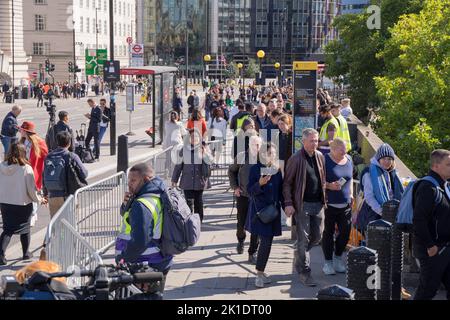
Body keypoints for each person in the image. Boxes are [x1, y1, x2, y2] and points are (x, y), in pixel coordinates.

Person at [115, 163, 173, 296]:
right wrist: (125, 204)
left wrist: (123, 260)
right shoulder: (158, 192)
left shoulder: (142, 204)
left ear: (146, 180)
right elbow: (127, 215)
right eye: (129, 180)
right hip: (160, 259)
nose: (129, 184)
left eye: (133, 180)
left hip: (144, 264)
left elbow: (141, 241)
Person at [283, 128, 326, 287]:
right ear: (303, 141)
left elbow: (321, 179)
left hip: (318, 204)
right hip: (302, 205)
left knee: (317, 237)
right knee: (303, 240)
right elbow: (286, 183)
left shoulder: (320, 156)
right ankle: (304, 272)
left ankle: (299, 254)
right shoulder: (296, 159)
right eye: (311, 141)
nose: (314, 144)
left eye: (316, 141)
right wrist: (288, 203)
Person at [0, 143, 47, 265]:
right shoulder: (26, 168)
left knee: (7, 230)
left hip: (5, 203)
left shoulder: (1, 166)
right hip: (23, 203)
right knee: (25, 229)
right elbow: (31, 189)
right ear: (22, 153)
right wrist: (39, 199)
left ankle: (1, 254)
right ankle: (25, 253)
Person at [413, 149, 450, 300]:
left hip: (444, 247)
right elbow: (419, 220)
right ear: (436, 166)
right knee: (427, 290)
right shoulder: (428, 187)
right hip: (433, 249)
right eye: (448, 164)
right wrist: (430, 245)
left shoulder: (444, 185)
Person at [246, 143, 284, 287]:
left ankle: (261, 271)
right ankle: (259, 275)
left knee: (267, 244)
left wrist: (287, 206)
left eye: (274, 153)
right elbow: (249, 190)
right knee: (266, 242)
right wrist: (260, 184)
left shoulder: (277, 170)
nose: (272, 156)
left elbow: (280, 191)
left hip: (273, 212)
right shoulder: (255, 169)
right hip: (260, 212)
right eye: (269, 153)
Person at [322, 138, 354, 275]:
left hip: (345, 203)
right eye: (341, 149)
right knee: (328, 233)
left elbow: (350, 178)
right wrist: (329, 186)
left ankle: (337, 258)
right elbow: (318, 180)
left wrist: (351, 194)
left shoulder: (349, 159)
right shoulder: (324, 160)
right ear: (332, 149)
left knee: (345, 233)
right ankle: (328, 263)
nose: (344, 151)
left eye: (345, 148)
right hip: (329, 204)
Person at [228, 135, 262, 262]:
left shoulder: (264, 157)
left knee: (256, 225)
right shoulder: (242, 156)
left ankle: (252, 251)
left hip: (258, 197)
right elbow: (231, 171)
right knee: (241, 223)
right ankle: (241, 240)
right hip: (243, 195)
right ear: (249, 145)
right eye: (254, 144)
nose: (256, 147)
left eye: (258, 145)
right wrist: (235, 187)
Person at [356, 143, 405, 232]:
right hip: (372, 215)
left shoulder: (392, 173)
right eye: (384, 158)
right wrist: (383, 212)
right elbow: (369, 197)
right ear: (378, 159)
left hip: (388, 215)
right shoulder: (369, 173)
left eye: (389, 159)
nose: (387, 161)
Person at [43, 132, 88, 218]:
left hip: (52, 195)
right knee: (70, 224)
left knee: (56, 225)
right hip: (68, 195)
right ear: (69, 142)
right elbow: (84, 173)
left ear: (57, 142)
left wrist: (45, 193)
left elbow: (44, 175)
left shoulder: (49, 156)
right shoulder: (71, 156)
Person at [171, 130, 213, 223]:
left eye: (196, 137)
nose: (194, 139)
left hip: (200, 180)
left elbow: (210, 161)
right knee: (188, 202)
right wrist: (174, 179)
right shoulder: (184, 149)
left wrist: (205, 153)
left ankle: (199, 221)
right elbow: (178, 166)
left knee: (198, 201)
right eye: (192, 137)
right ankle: (189, 221)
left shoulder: (204, 148)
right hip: (187, 180)